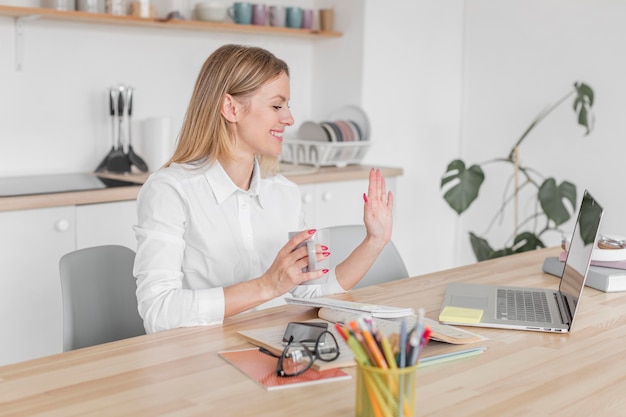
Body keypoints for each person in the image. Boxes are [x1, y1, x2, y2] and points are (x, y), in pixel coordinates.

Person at [133, 44, 394, 333]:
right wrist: (267, 286)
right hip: (201, 361)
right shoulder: (170, 191)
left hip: (270, 348)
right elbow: (158, 311)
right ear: (231, 108)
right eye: (276, 105)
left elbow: (309, 295)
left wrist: (374, 242)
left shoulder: (284, 194)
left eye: (288, 105)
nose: (289, 119)